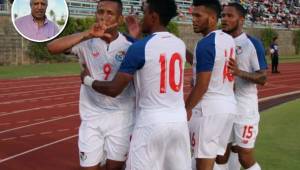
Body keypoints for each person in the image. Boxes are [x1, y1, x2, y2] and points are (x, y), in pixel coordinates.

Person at [80, 0, 192, 169]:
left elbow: (114, 89)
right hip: (179, 122)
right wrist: (136, 37)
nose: (141, 18)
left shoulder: (140, 48)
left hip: (151, 121)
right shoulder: (179, 44)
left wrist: (87, 80)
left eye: (145, 13)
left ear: (153, 16)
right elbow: (160, 53)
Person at [47, 0, 136, 170]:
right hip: (91, 117)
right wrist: (87, 34)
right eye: (100, 12)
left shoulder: (129, 45)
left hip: (121, 117)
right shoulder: (85, 42)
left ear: (120, 18)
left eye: (110, 13)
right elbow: (52, 47)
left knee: (115, 167)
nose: (103, 17)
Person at [215, 2, 268, 170]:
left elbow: (263, 77)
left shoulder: (251, 44)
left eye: (230, 16)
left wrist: (239, 72)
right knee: (220, 155)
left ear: (241, 20)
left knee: (244, 157)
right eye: (223, 15)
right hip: (223, 106)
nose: (224, 19)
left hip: (244, 108)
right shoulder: (217, 40)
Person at [185, 0, 237, 170]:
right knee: (215, 159)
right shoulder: (228, 39)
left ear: (213, 18)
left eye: (198, 16)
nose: (194, 19)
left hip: (209, 109)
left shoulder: (205, 44)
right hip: (228, 104)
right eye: (193, 15)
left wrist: (186, 108)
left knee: (203, 162)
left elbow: (202, 85)